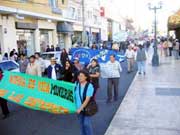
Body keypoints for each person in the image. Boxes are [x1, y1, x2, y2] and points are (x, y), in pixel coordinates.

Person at [75, 70, 94, 135]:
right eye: (79, 76)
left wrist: (80, 108)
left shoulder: (89, 86)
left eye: (81, 76)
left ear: (86, 77)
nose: (79, 77)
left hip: (86, 108)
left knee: (86, 124)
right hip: (78, 108)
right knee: (81, 124)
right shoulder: (76, 84)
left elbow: (87, 99)